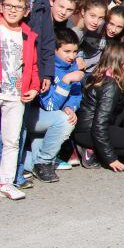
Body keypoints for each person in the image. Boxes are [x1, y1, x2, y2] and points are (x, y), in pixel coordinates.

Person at [72, 42, 124, 171]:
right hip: (89, 132)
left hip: (103, 125)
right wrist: (110, 158)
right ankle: (92, 150)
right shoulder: (110, 85)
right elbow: (99, 125)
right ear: (119, 60)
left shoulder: (112, 75)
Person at [25, 28, 82, 183]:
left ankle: (34, 162)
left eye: (75, 51)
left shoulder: (72, 66)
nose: (72, 56)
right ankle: (44, 162)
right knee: (64, 120)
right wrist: (65, 81)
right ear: (55, 50)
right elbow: (50, 106)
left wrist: (70, 107)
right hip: (33, 115)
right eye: (67, 51)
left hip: (47, 118)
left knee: (67, 116)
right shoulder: (48, 67)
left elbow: (76, 94)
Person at [0, 0, 40, 200]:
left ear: (26, 11)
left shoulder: (28, 35)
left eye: (18, 7)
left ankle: (6, 181)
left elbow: (32, 65)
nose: (12, 10)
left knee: (12, 140)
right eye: (9, 6)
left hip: (16, 93)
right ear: (1, 6)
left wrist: (34, 86)